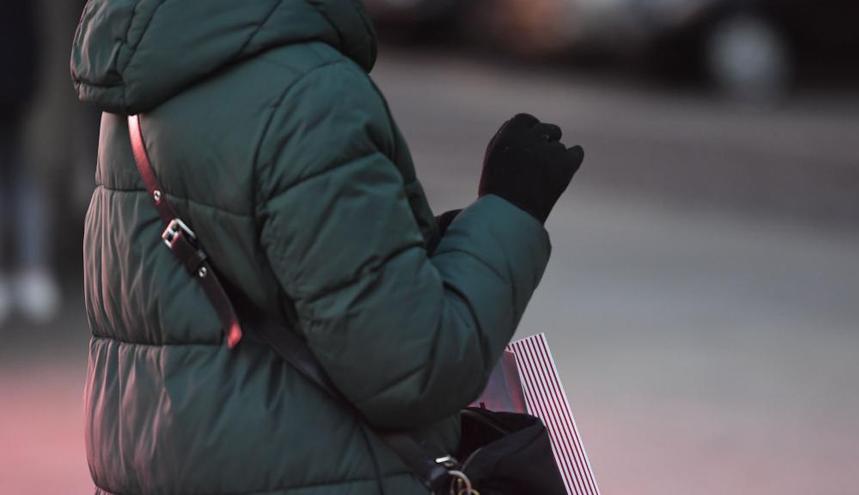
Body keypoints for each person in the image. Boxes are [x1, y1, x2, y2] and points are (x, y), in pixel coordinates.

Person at [71, 1, 583, 494]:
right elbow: (411, 368)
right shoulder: (307, 94)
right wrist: (510, 211)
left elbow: (290, 267)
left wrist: (436, 241)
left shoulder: (156, 70)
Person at [0, 0, 61, 326]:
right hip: (21, 83)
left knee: (23, 177)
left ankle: (31, 268)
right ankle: (28, 269)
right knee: (21, 178)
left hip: (19, 87)